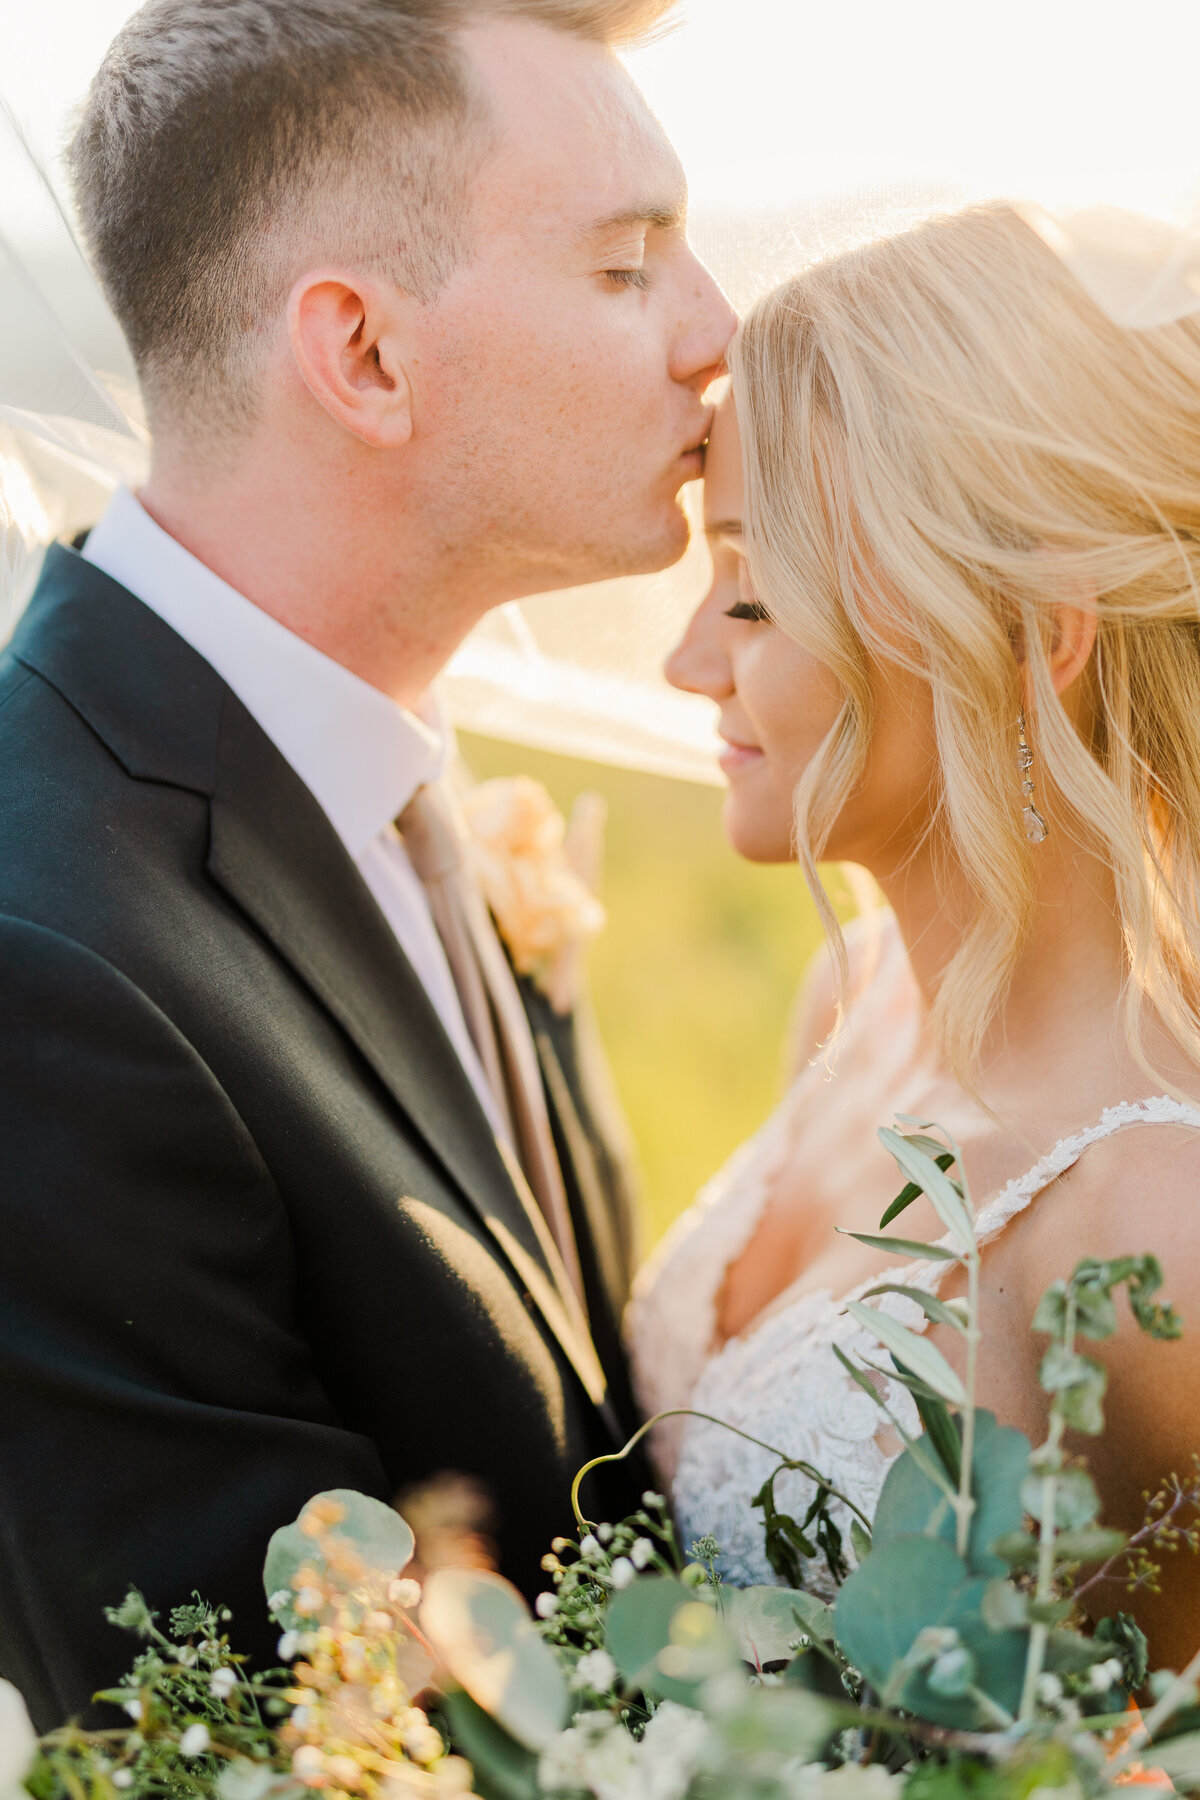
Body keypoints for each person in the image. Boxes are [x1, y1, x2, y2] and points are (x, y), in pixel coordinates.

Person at [0, 0, 734, 1728]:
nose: (714, 334)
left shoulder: (395, 785)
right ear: (366, 357)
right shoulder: (46, 958)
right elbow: (252, 1738)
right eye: (631, 268)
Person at [627, 202, 1200, 1667]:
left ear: (1031, 637)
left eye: (752, 590)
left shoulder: (1154, 1233)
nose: (688, 661)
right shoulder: (851, 998)